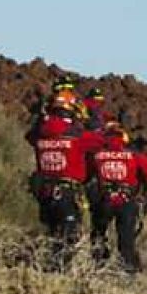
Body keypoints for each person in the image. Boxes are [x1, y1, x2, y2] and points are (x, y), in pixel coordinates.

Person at [27, 91, 103, 250]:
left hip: (43, 193)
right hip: (67, 194)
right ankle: (56, 271)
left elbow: (30, 136)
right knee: (68, 239)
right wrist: (91, 121)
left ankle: (44, 267)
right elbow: (100, 141)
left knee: (52, 235)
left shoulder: (39, 133)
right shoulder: (76, 135)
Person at [88, 120, 147, 271]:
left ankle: (98, 268)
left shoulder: (97, 156)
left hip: (104, 201)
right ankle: (128, 272)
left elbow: (85, 176)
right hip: (127, 201)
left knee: (98, 236)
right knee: (126, 241)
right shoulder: (134, 155)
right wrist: (143, 197)